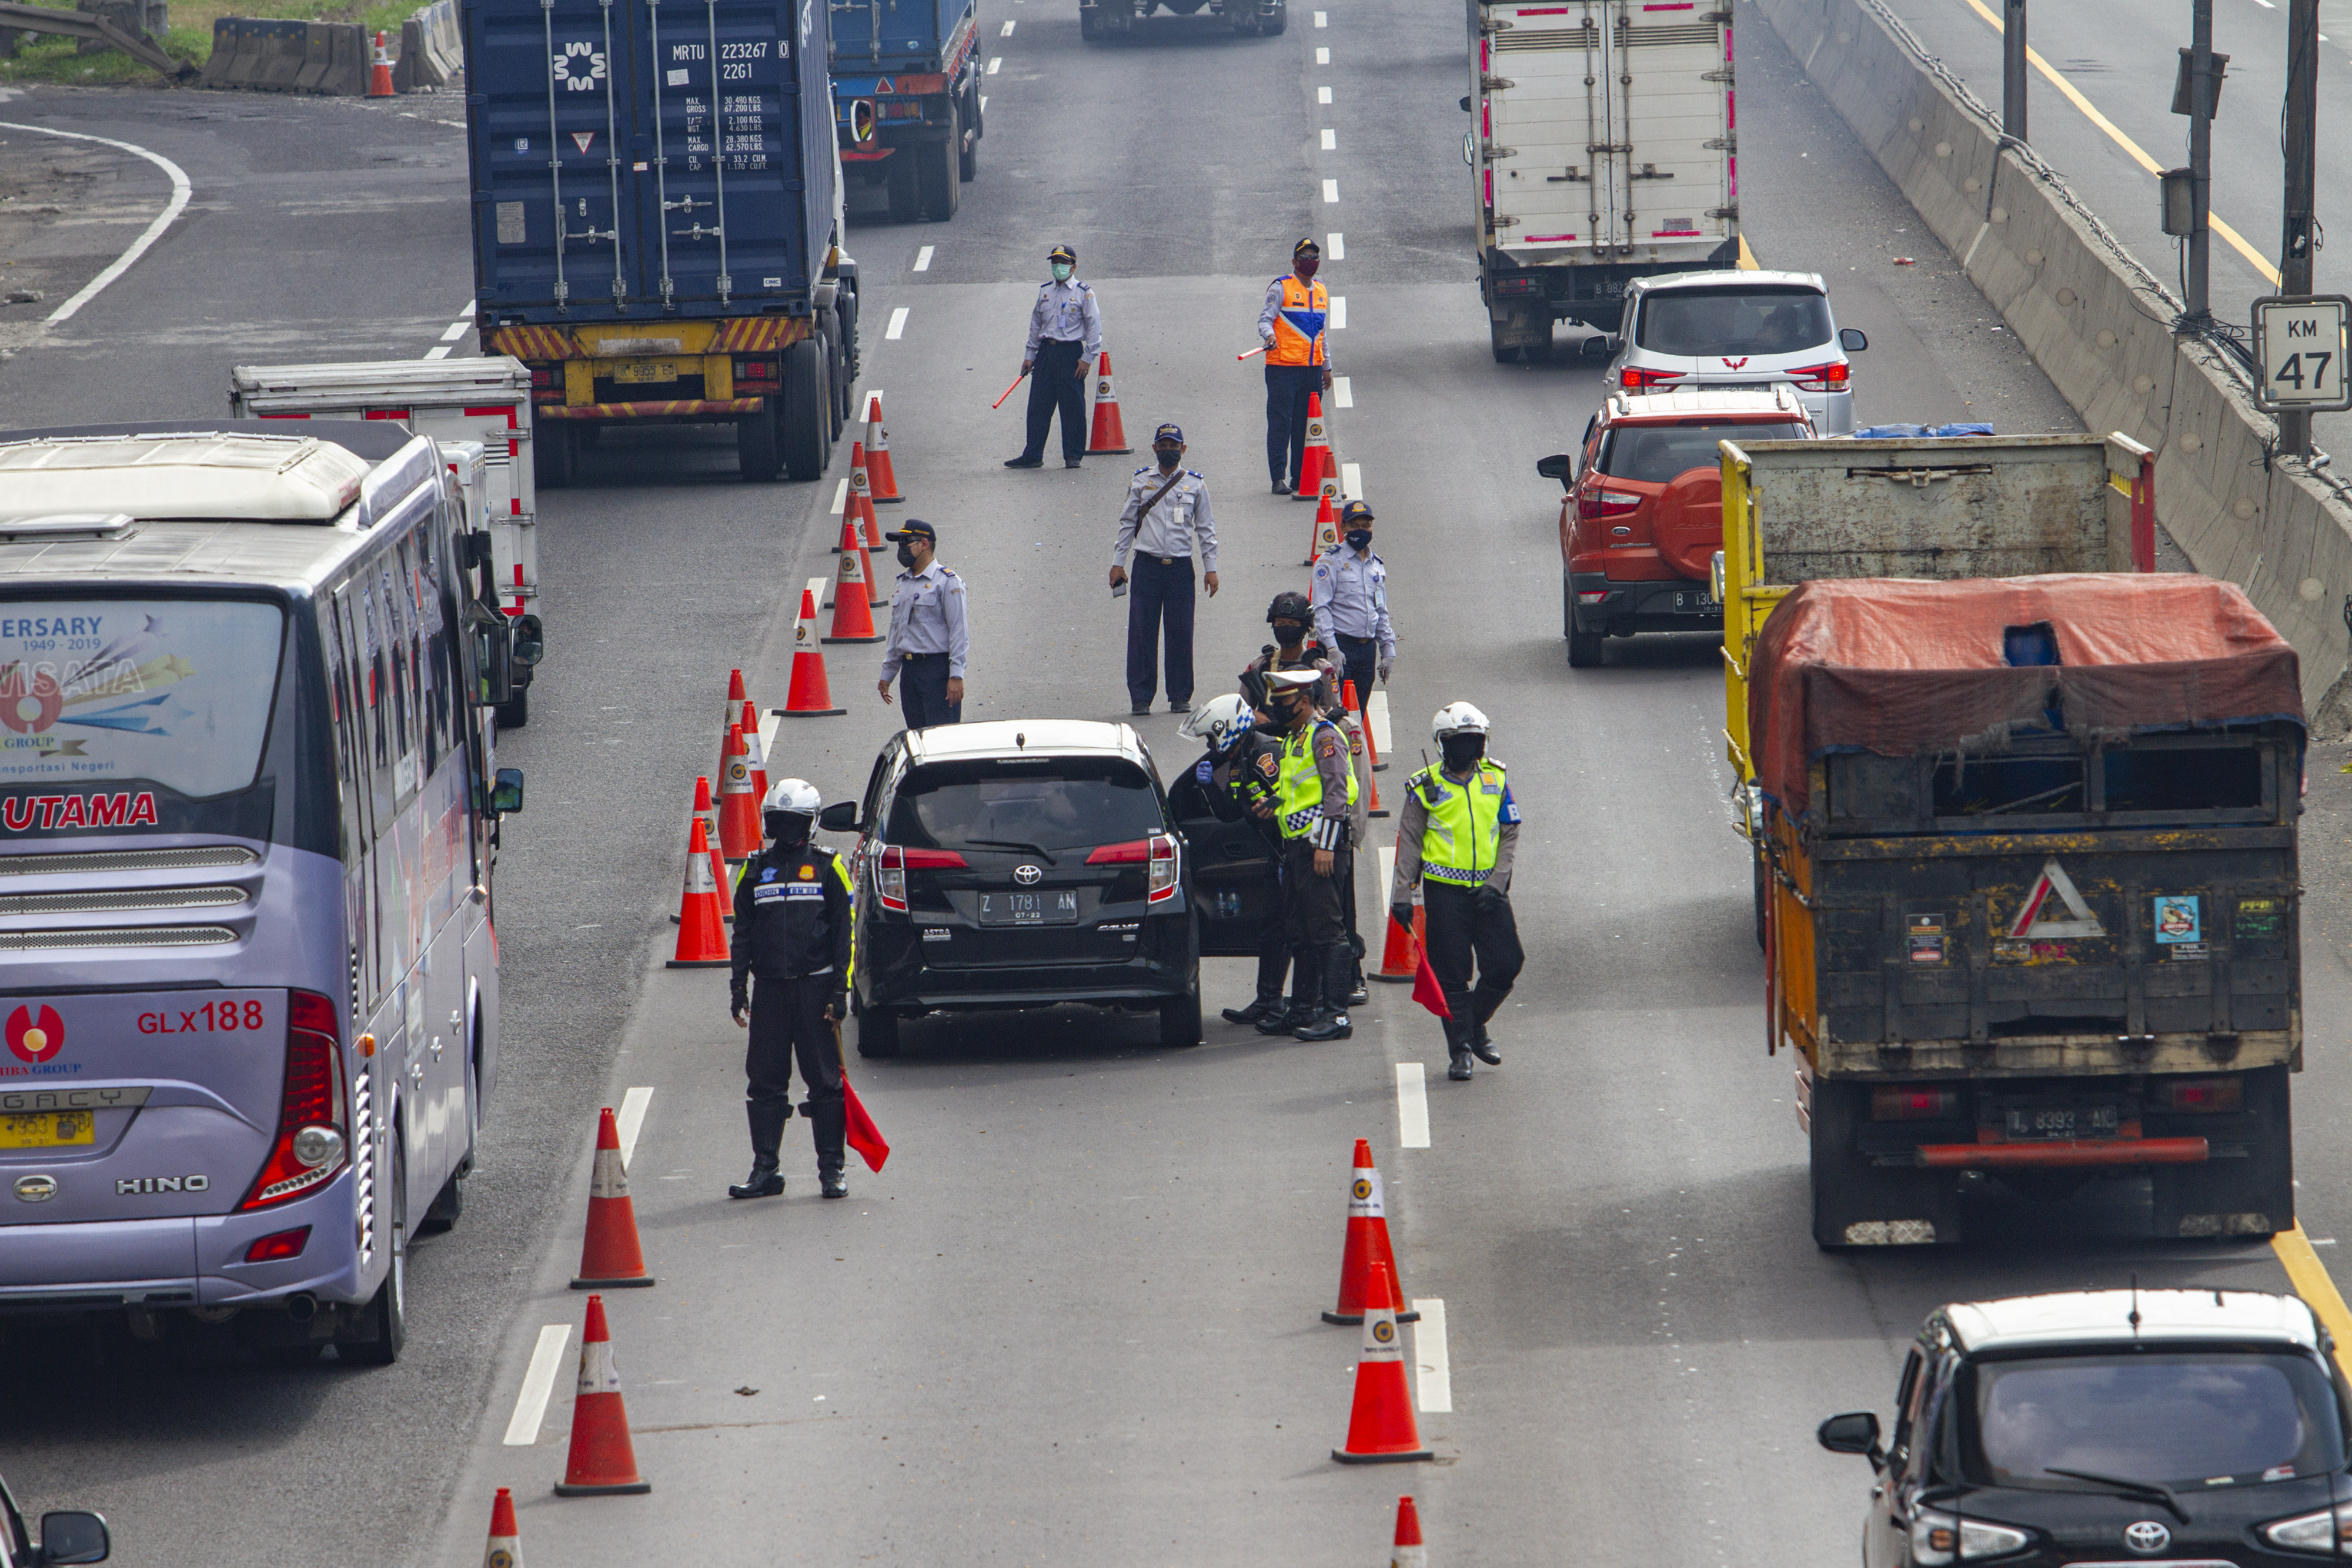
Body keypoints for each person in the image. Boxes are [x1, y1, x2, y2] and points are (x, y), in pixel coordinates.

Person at [729, 779, 857, 1198]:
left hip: (815, 990)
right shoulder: (754, 868)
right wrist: (738, 987)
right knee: (764, 1081)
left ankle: (832, 1170)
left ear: (812, 823)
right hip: (769, 990)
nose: (786, 831)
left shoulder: (827, 866)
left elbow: (845, 934)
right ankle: (766, 1169)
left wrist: (841, 992)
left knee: (825, 1082)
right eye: (778, 821)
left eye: (794, 822)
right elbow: (743, 932)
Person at [1390, 703, 1524, 1081]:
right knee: (1452, 974)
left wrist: (1497, 883)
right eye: (1460, 741)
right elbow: (1411, 841)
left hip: (1489, 892)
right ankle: (1460, 1051)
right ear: (1442, 744)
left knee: (1507, 963)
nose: (1469, 748)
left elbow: (1510, 832)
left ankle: (1474, 1024)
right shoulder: (1425, 786)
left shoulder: (1496, 779)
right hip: (1445, 892)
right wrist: (1402, 895)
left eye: (1474, 740)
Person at [1171, 694, 1289, 1025]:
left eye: (1212, 737)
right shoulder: (1239, 762)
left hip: (1294, 851)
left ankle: (1320, 1004)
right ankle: (1268, 1001)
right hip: (1274, 853)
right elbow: (1229, 815)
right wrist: (1208, 788)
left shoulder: (1268, 754)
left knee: (1301, 931)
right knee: (1271, 929)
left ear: (1226, 730)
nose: (1211, 745)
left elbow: (1288, 800)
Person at [1261, 668, 1358, 1040]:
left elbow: (1336, 793)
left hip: (1321, 848)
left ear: (1304, 702)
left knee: (1328, 932)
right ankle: (1302, 1010)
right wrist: (1276, 804)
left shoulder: (1325, 736)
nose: (1278, 708)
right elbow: (1303, 790)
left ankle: (1337, 1017)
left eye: (1284, 702)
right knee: (1299, 932)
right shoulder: (1294, 739)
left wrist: (1326, 846)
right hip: (1298, 848)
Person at [1110, 422, 1220, 716]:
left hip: (1181, 569)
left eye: (1174, 446)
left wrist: (1211, 569)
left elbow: (1206, 530)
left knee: (1181, 633)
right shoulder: (1141, 482)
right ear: (1154, 448)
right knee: (1142, 633)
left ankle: (1180, 695)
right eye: (1164, 445)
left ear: (1183, 450)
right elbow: (1127, 524)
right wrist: (1117, 563)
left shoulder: (1196, 485)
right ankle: (1141, 697)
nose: (1168, 450)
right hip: (1146, 566)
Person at [1007, 243, 1102, 470]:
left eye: (1064, 262)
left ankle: (1073, 455)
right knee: (1038, 406)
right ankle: (1033, 454)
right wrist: (1030, 355)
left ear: (1074, 266)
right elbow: (1036, 325)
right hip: (1046, 353)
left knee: (1072, 407)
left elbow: (1094, 327)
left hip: (1071, 354)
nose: (1058, 266)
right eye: (1055, 262)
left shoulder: (1083, 293)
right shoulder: (1045, 291)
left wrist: (1088, 358)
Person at [1258, 238, 1335, 495]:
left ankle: (1301, 479)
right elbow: (1265, 321)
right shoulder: (1281, 288)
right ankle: (1278, 478)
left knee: (1306, 427)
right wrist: (1269, 336)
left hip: (1311, 370)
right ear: (1294, 262)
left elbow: (1321, 334)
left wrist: (1327, 366)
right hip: (1282, 369)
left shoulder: (1322, 291)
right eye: (1305, 257)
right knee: (1281, 423)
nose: (1310, 261)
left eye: (1314, 257)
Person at [878, 519, 968, 727]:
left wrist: (956, 676)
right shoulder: (902, 582)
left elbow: (959, 632)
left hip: (937, 670)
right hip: (910, 672)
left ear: (924, 544)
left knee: (942, 741)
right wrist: (888, 673)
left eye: (906, 543)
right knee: (917, 739)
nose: (901, 549)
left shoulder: (947, 581)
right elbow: (897, 630)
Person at [1309, 499, 1394, 706]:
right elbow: (1321, 608)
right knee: (1334, 711)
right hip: (1341, 646)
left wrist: (1387, 651)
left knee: (1358, 712)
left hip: (1367, 651)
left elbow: (1380, 610)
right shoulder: (1330, 562)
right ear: (1343, 527)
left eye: (1366, 526)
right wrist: (1332, 648)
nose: (1361, 530)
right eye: (1355, 526)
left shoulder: (1376, 565)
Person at [1238, 589, 1341, 717]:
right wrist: (1254, 715)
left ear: (1305, 628)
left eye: (1294, 624)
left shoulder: (1322, 669)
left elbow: (1336, 714)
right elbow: (1239, 710)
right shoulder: (1259, 665)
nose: (1286, 628)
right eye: (1281, 623)